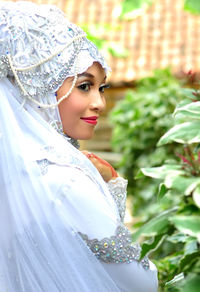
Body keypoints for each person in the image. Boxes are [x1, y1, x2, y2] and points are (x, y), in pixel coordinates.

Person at [0, 1, 158, 291]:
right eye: (85, 86)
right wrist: (111, 187)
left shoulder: (12, 177)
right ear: (39, 89)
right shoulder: (67, 181)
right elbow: (142, 284)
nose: (100, 103)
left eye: (102, 88)